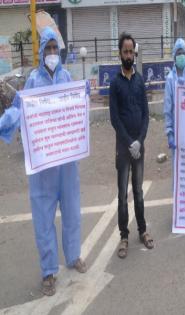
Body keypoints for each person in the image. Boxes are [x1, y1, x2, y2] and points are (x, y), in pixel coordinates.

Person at [0, 27, 87, 296]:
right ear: (41, 53)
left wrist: (82, 95)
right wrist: (4, 123)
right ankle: (49, 271)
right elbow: (18, 108)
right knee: (43, 218)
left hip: (66, 162)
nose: (51, 53)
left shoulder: (67, 77)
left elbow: (78, 108)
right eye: (47, 49)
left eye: (54, 49)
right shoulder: (33, 82)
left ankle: (73, 256)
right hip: (42, 163)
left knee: (72, 212)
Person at [109, 33, 153, 259]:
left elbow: (146, 115)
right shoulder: (115, 83)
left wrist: (140, 141)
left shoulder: (139, 80)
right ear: (120, 54)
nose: (128, 55)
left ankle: (142, 230)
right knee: (122, 194)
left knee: (138, 191)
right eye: (125, 51)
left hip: (139, 147)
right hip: (123, 149)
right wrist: (128, 143)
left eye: (131, 51)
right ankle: (124, 236)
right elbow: (114, 118)